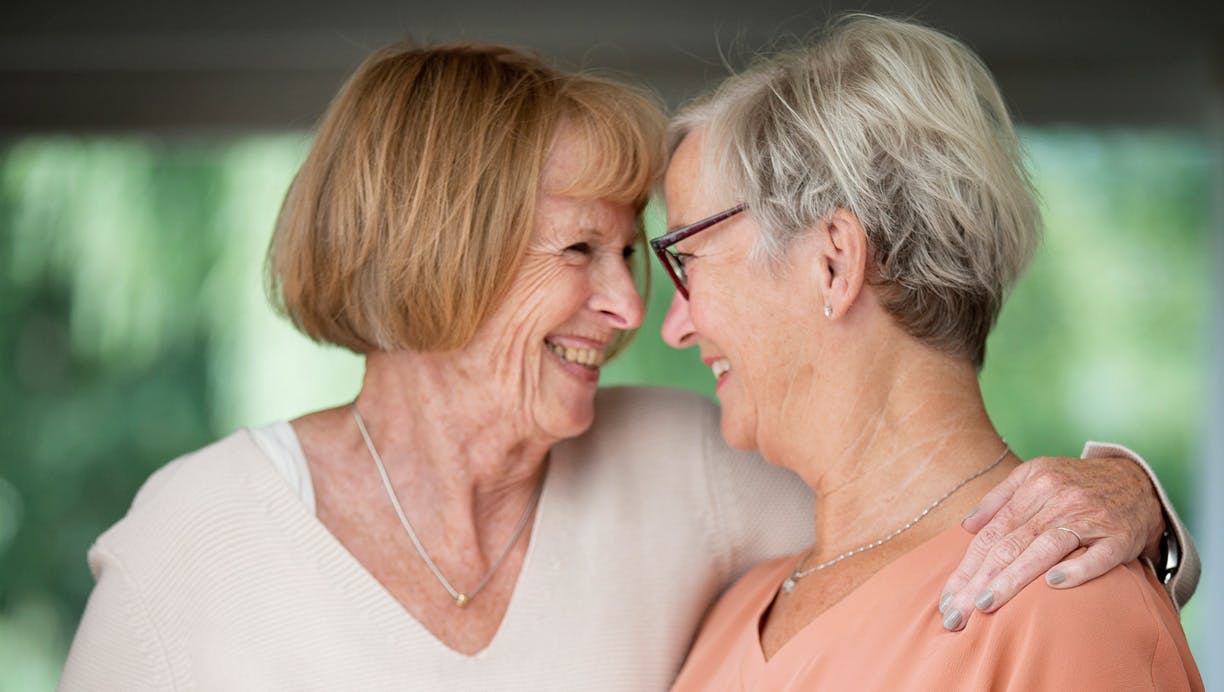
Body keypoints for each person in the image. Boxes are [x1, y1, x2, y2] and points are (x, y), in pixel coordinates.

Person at [60, 41, 1194, 691]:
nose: (639, 309)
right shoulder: (196, 541)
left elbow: (936, 482)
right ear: (439, 254)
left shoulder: (684, 464)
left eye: (649, 252)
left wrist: (1136, 501)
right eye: (581, 251)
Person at [660, 15, 1203, 690]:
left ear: (833, 262)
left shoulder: (1068, 605)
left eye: (685, 260)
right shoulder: (730, 616)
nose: (673, 326)